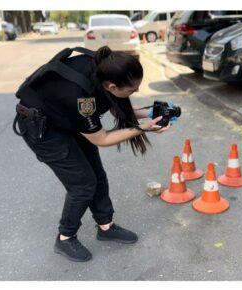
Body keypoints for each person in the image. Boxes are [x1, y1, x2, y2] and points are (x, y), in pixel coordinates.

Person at [13, 46, 173, 262]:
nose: (134, 93)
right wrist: (143, 127)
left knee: (97, 174)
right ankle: (65, 237)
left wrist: (150, 112)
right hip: (44, 128)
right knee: (83, 184)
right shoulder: (81, 98)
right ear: (113, 85)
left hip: (66, 117)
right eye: (131, 91)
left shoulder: (105, 67)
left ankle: (105, 226)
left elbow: (113, 102)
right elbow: (102, 138)